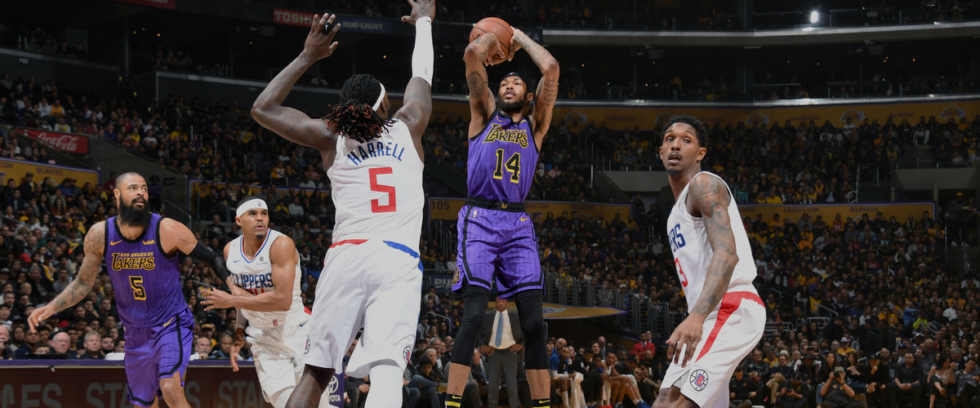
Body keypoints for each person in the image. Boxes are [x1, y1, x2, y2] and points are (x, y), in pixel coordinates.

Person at [248, 1, 435, 406]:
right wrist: (423, 22)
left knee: (316, 372)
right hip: (396, 260)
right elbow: (422, 74)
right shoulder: (409, 125)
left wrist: (307, 56)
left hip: (346, 257)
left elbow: (262, 108)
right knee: (387, 370)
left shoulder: (329, 137)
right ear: (385, 105)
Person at [27, 172, 233, 408]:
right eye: (133, 188)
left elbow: (213, 258)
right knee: (143, 404)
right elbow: (83, 283)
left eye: (144, 189)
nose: (140, 193)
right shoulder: (99, 234)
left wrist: (233, 290)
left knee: (170, 388)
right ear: (117, 194)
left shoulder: (166, 228)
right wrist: (51, 307)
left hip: (171, 322)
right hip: (135, 332)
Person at [444, 12, 560, 408]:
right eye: (505, 80)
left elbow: (550, 67)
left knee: (533, 324)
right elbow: (472, 55)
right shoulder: (483, 111)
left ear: (529, 97)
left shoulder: (536, 125)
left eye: (516, 81)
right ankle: (453, 401)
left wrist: (517, 36)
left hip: (518, 224)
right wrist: (492, 42)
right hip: (479, 219)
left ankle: (543, 404)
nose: (508, 83)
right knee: (474, 316)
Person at [653, 116, 766, 408]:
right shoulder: (673, 215)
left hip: (730, 307)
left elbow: (727, 254)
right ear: (660, 151)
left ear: (701, 153)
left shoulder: (704, 185)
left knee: (677, 404)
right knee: (665, 399)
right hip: (707, 314)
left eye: (686, 140)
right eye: (669, 139)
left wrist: (697, 318)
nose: (676, 145)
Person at [202, 196, 329, 407]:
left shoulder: (280, 245)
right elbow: (245, 298)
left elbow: (282, 300)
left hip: (297, 331)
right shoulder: (230, 251)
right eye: (252, 214)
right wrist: (239, 333)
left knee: (319, 403)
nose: (260, 218)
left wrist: (230, 299)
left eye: (264, 213)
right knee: (284, 402)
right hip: (263, 337)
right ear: (238, 220)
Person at [482, 297, 524, 408]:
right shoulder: (488, 315)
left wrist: (521, 345)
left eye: (503, 300)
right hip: (493, 352)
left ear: (507, 302)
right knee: (493, 383)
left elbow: (526, 330)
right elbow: (479, 332)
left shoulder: (515, 315)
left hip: (510, 351)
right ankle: (492, 405)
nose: (500, 303)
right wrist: (482, 345)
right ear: (495, 302)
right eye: (498, 301)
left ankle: (514, 405)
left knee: (511, 383)